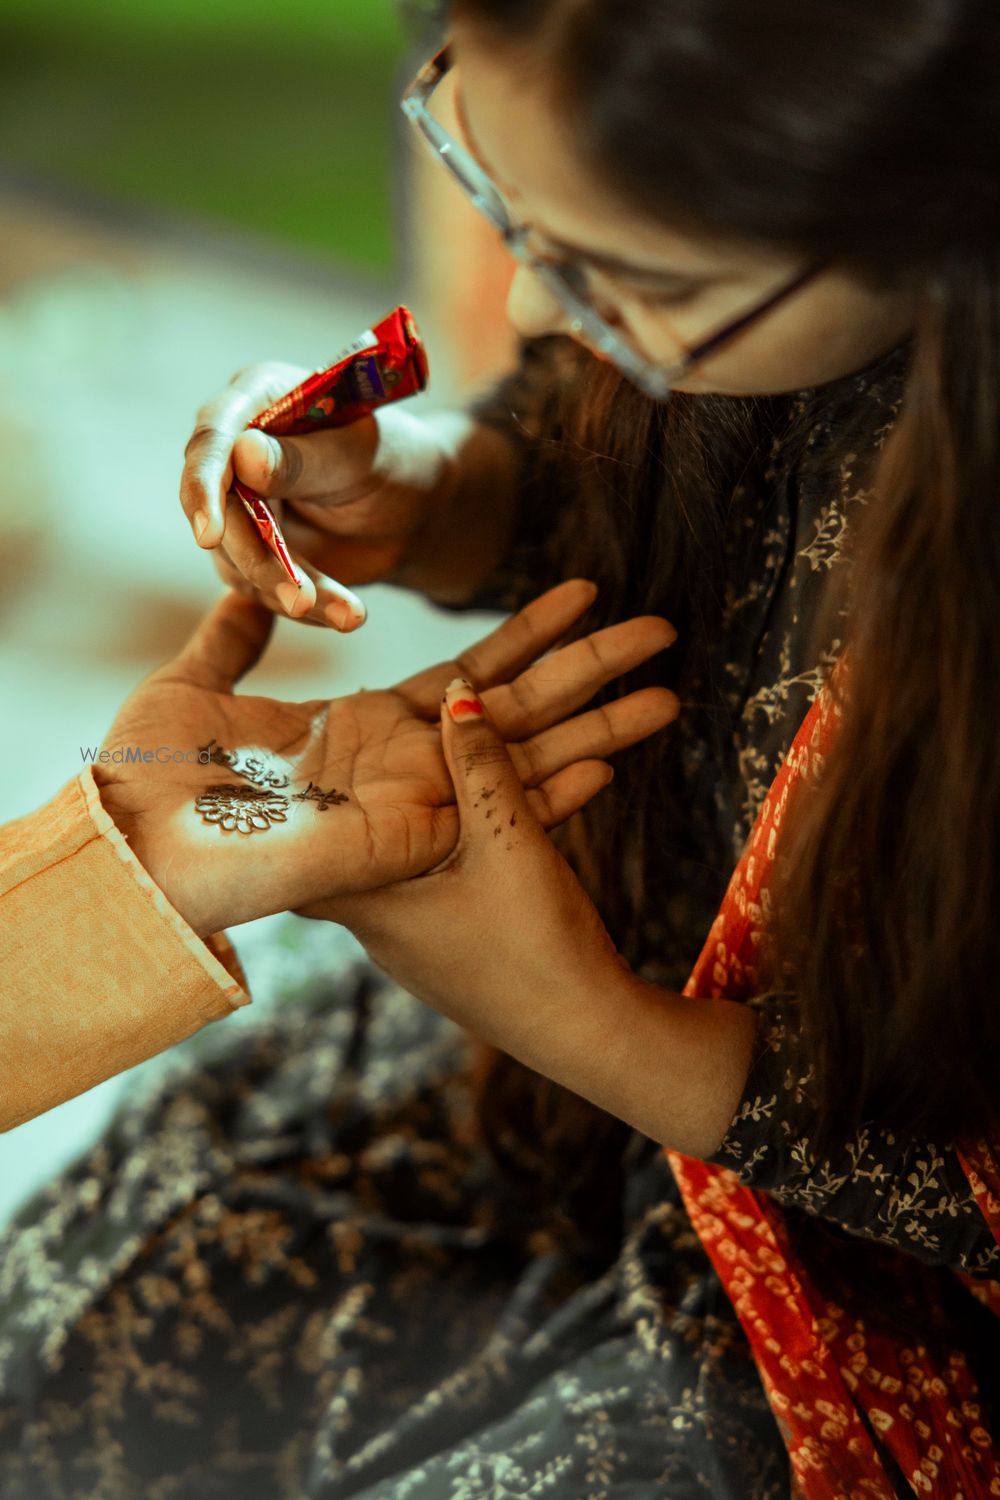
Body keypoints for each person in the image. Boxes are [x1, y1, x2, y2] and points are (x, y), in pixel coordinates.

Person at [2, 0, 998, 1495]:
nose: (528, 311)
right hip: (552, 1037)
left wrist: (593, 1025)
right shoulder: (748, 279)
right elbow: (607, 463)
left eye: (629, 276)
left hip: (833, 1262)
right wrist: (436, 491)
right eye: (487, 185)